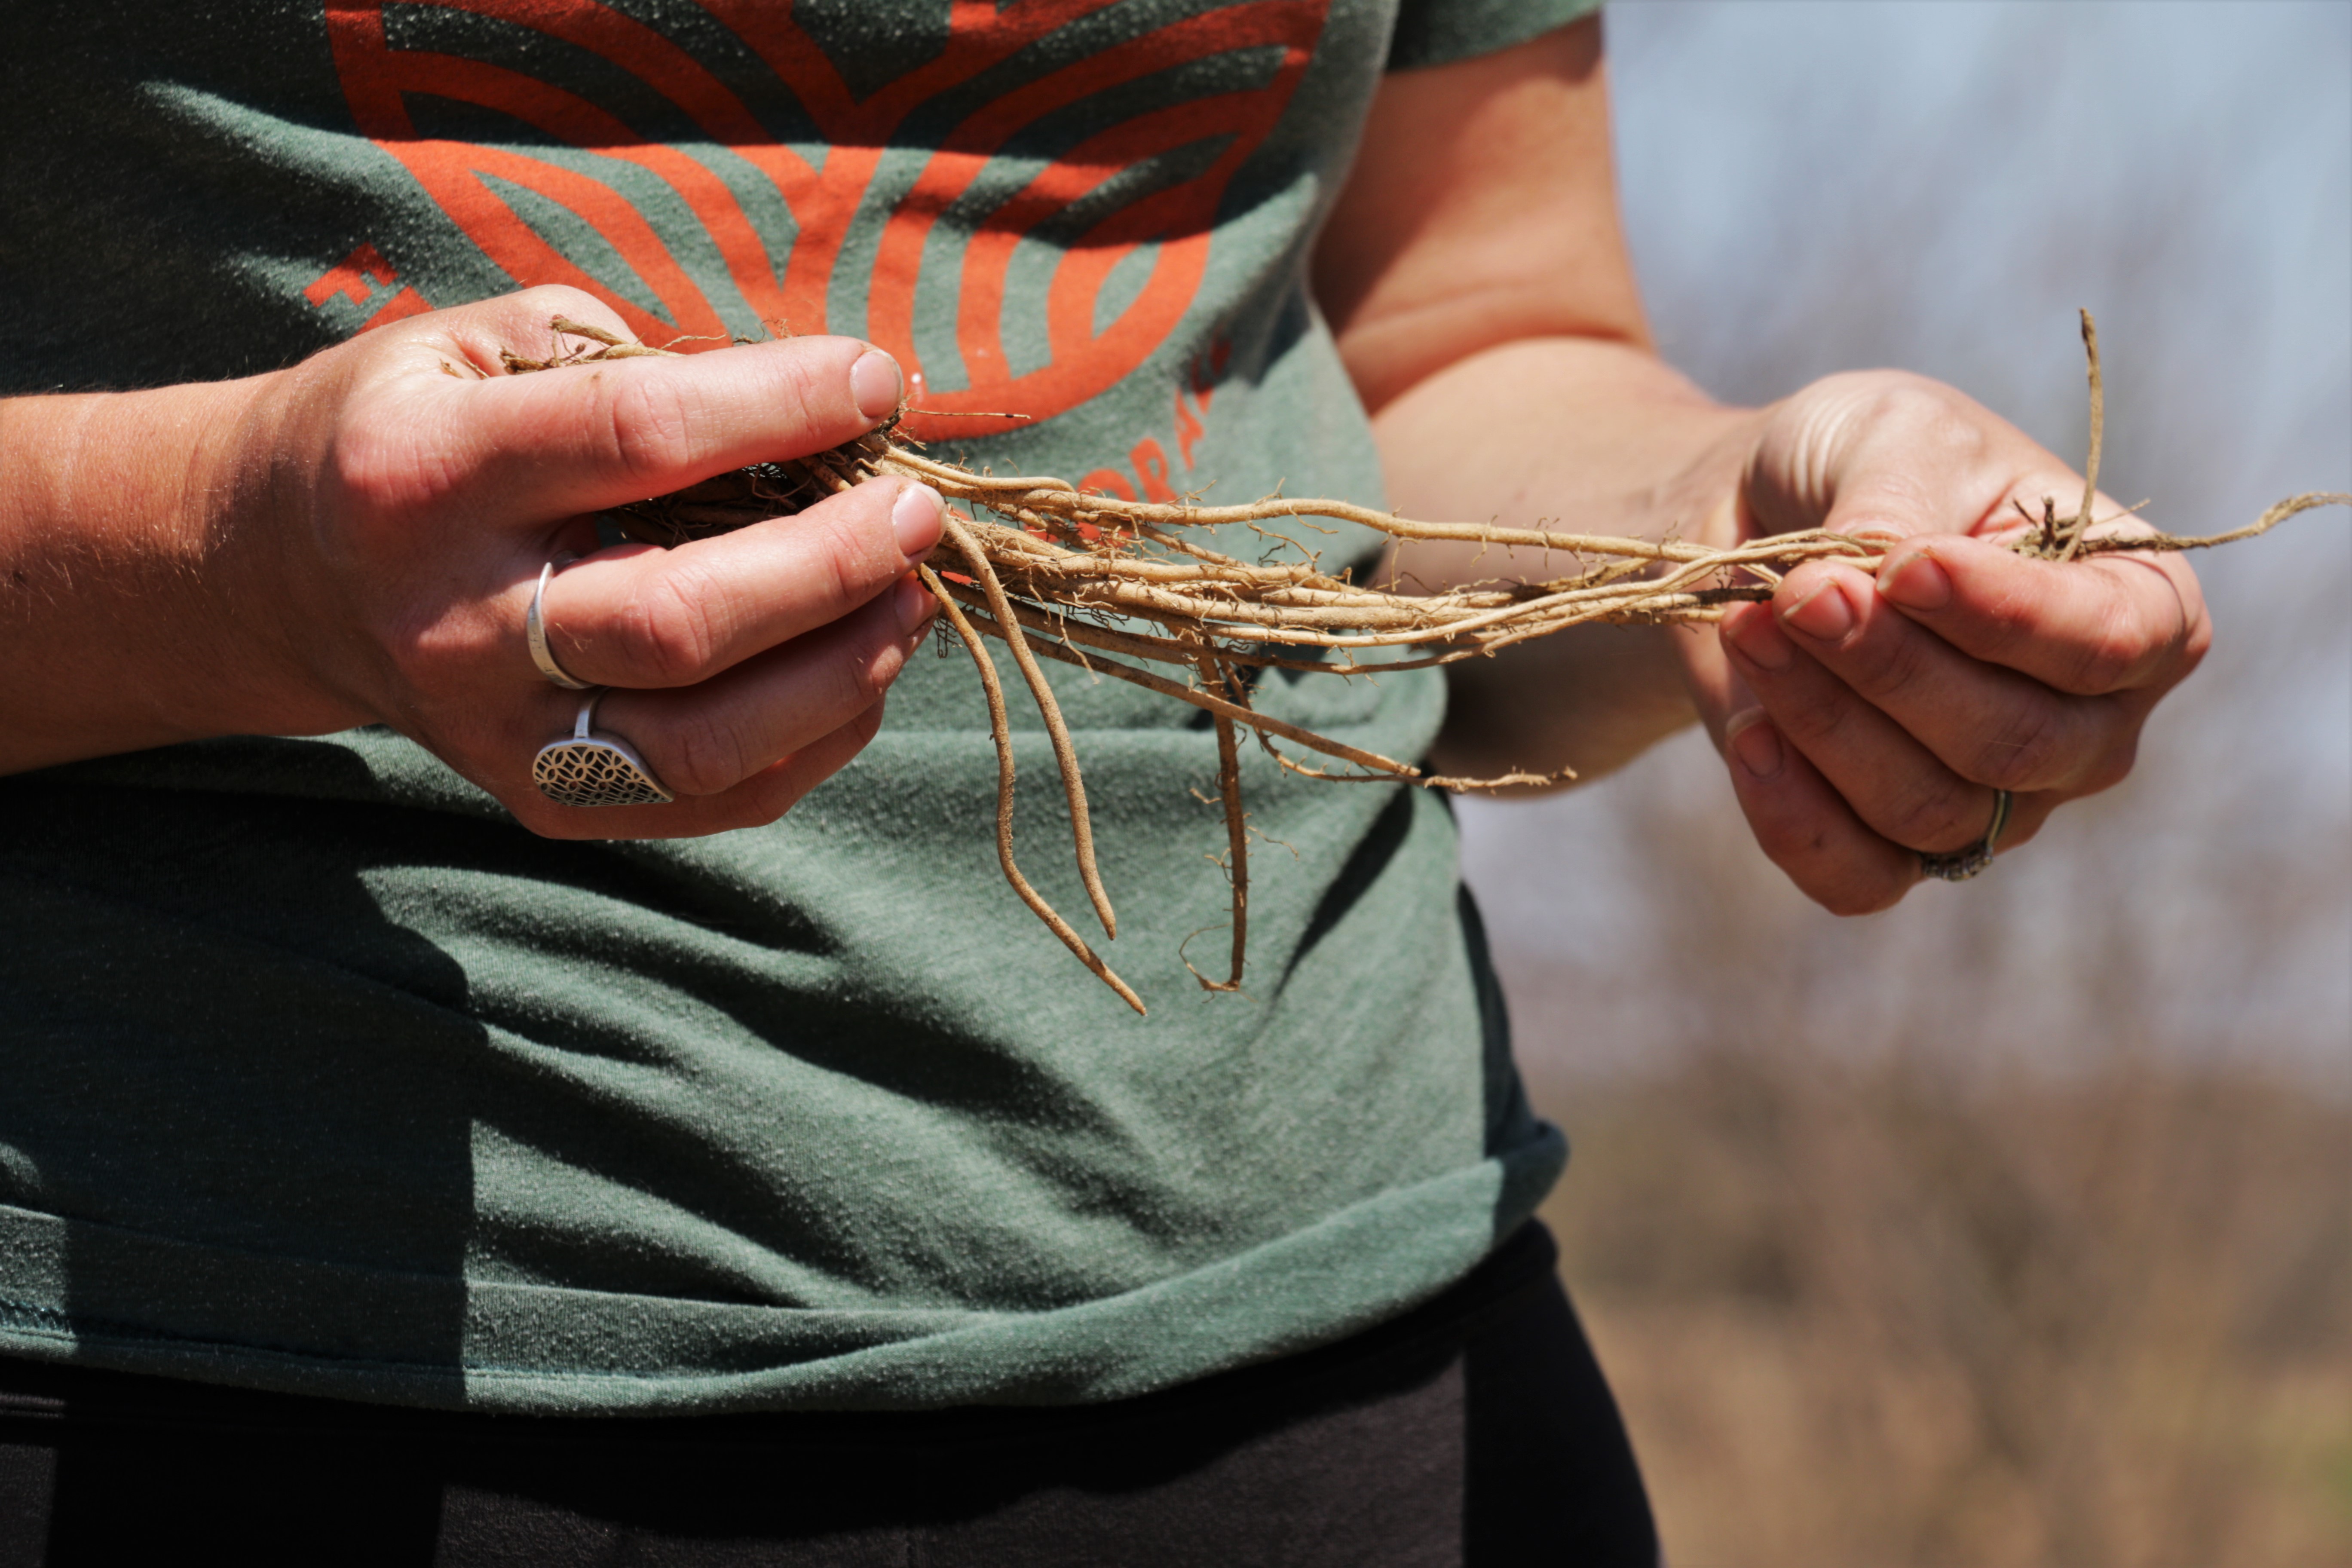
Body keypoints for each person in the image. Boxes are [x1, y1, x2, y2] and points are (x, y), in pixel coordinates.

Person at [0, 0, 2206, 1559]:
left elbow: (1463, 330)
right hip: (220, 1379)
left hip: (1355, 1366)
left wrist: (1731, 552)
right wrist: (238, 556)